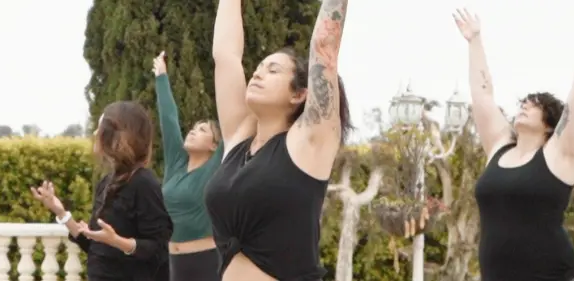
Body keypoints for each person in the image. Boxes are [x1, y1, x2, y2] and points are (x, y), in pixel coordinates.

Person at [204, 0, 353, 279]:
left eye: (273, 70)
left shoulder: (310, 142)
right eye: (258, 68)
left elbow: (324, 47)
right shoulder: (238, 140)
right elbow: (225, 55)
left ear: (299, 94)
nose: (258, 73)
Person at [456, 1, 574, 280]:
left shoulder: (560, 155)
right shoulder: (499, 146)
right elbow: (482, 95)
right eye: (522, 103)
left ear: (549, 122)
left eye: (533, 104)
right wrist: (474, 41)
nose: (523, 106)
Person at [30, 101, 173, 281]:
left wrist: (117, 241)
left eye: (101, 128)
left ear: (119, 135)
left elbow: (159, 248)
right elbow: (96, 247)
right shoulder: (106, 182)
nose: (96, 133)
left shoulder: (144, 183)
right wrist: (60, 212)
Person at [151, 51, 223, 281]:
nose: (193, 130)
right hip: (172, 263)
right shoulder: (176, 164)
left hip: (206, 262)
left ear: (214, 146)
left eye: (202, 130)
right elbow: (169, 120)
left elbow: (237, 124)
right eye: (193, 127)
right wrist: (161, 76)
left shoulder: (215, 167)